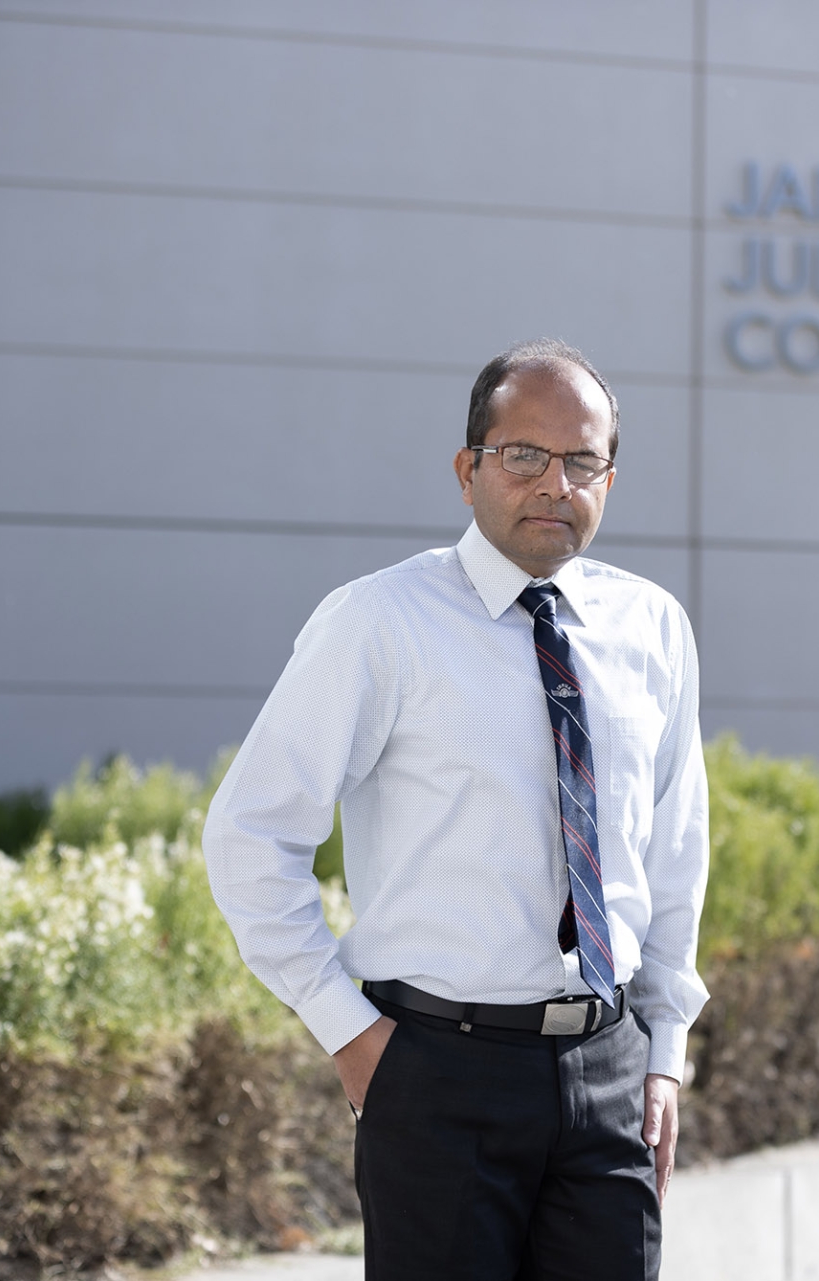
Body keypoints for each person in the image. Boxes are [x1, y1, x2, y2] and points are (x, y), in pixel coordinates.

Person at [204, 338, 709, 1280]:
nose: (554, 483)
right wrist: (353, 1037)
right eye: (524, 455)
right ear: (468, 467)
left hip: (609, 1072)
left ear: (610, 478)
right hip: (437, 1075)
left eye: (583, 461)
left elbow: (675, 853)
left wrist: (664, 1050)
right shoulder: (379, 622)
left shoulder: (653, 628)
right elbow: (250, 836)